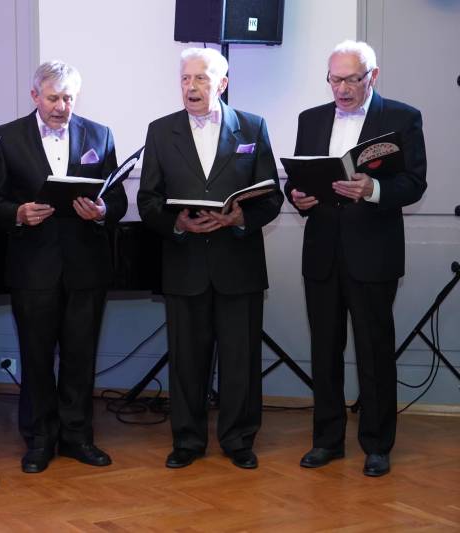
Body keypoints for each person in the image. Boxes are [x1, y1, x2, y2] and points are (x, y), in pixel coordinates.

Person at [285, 40, 427, 477]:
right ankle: (326, 441)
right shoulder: (310, 119)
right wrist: (297, 197)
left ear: (373, 76)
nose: (342, 89)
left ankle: (377, 445)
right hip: (322, 252)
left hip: (374, 253)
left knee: (374, 350)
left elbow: (415, 183)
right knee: (324, 350)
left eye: (351, 79)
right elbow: (300, 178)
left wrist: (374, 189)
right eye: (334, 79)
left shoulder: (402, 117)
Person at [137, 48, 282, 470]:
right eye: (185, 78)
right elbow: (147, 201)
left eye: (201, 78)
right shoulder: (160, 130)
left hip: (238, 262)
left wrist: (241, 217)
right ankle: (187, 440)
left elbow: (271, 197)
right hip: (184, 264)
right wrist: (177, 222)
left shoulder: (252, 126)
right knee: (186, 361)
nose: (191, 86)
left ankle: (239, 439)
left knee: (240, 360)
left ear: (222, 83)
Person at [0, 60, 127, 473]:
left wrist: (102, 211)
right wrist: (17, 213)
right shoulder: (6, 136)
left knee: (81, 356)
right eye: (52, 98)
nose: (61, 107)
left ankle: (78, 437)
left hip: (86, 267)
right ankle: (39, 439)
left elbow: (117, 198)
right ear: (35, 96)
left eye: (68, 98)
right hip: (32, 267)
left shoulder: (100, 134)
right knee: (35, 357)